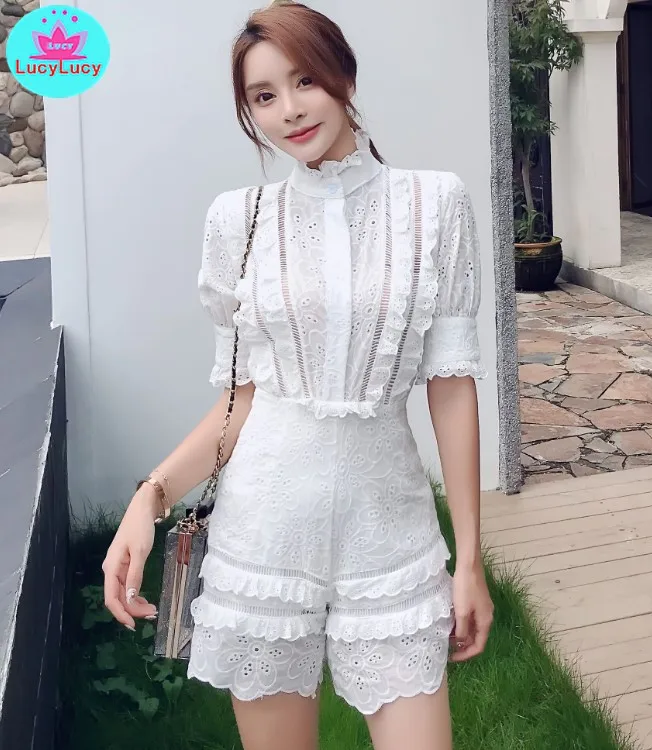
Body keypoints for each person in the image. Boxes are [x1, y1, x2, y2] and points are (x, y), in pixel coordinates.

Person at [102, 2, 494, 749]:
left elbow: (451, 386)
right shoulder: (237, 220)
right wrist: (149, 499)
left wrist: (468, 560)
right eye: (264, 95)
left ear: (344, 75)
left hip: (390, 538)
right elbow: (241, 401)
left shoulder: (433, 203)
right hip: (263, 539)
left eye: (304, 80)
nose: (289, 109)